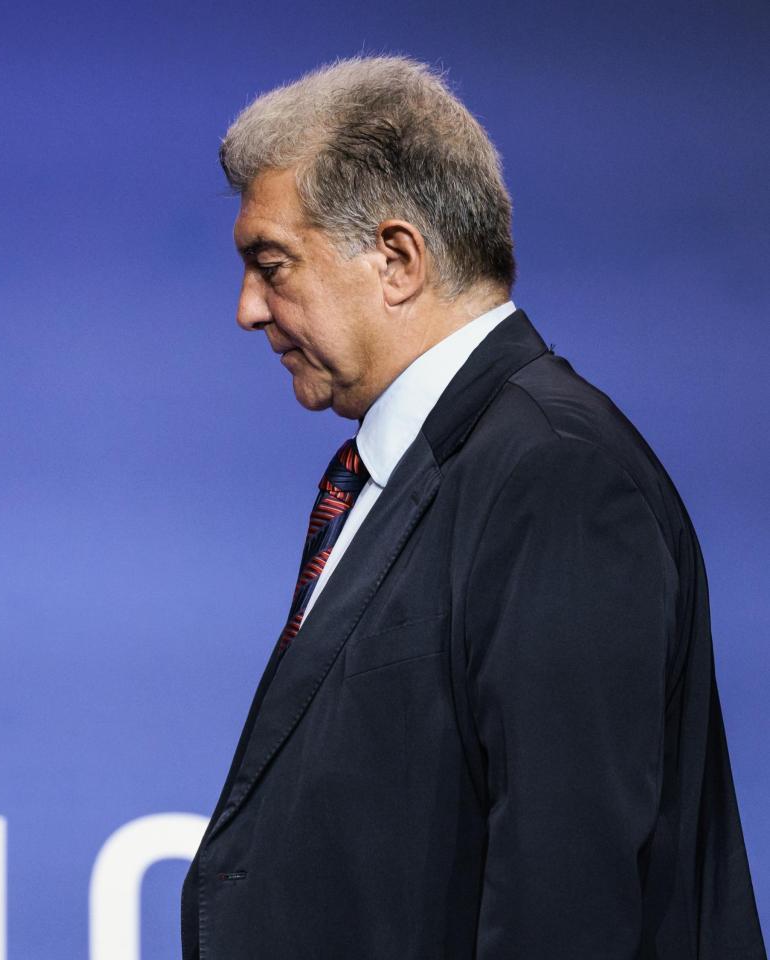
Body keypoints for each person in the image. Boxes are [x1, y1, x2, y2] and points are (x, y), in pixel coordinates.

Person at [182, 56, 765, 958]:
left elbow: (565, 891)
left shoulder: (557, 478)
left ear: (397, 258)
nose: (248, 309)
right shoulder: (436, 465)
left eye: (272, 264)